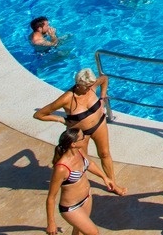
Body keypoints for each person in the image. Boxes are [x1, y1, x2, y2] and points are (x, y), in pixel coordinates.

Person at [35, 67, 127, 195]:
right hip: (80, 134)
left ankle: (113, 184)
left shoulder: (91, 86)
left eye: (91, 86)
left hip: (99, 124)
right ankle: (83, 184)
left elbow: (104, 79)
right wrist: (60, 119)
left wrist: (102, 97)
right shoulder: (67, 99)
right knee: (84, 161)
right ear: (78, 84)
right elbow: (39, 114)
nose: (90, 89)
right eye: (87, 87)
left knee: (105, 154)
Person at [45, 128, 122, 235]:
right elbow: (51, 197)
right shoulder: (61, 168)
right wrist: (51, 223)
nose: (85, 137)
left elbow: (90, 164)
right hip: (71, 207)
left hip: (86, 199)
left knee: (79, 230)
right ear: (73, 144)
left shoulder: (79, 152)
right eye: (81, 137)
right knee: (92, 233)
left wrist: (105, 177)